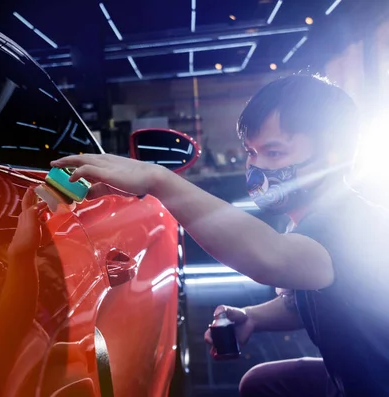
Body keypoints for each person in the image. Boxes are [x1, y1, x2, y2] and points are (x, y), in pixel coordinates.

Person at [51, 74, 389, 397]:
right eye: (251, 153)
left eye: (274, 153)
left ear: (335, 157)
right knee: (261, 383)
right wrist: (254, 317)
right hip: (352, 379)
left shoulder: (348, 226)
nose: (257, 167)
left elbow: (271, 256)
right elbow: (319, 302)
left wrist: (158, 181)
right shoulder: (314, 220)